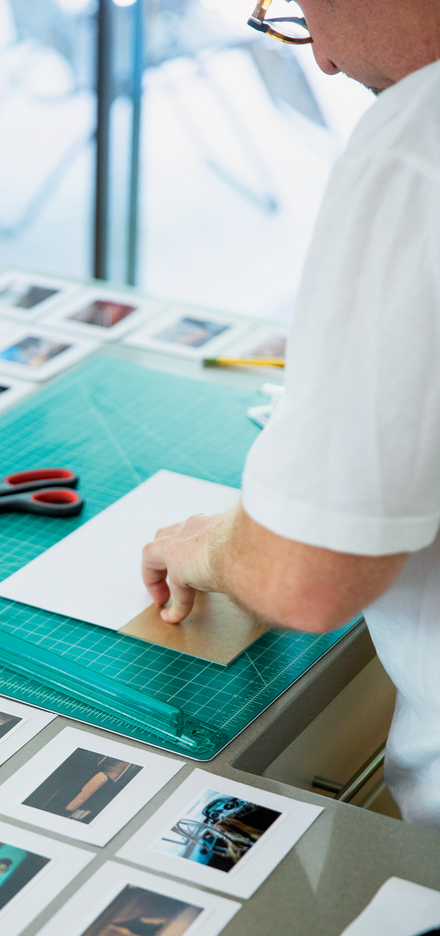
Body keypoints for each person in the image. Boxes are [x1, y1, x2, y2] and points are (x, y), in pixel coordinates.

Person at [141, 0, 440, 829]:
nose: (326, 62)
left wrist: (209, 543)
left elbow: (300, 580)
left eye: (305, 9)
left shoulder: (422, 132)